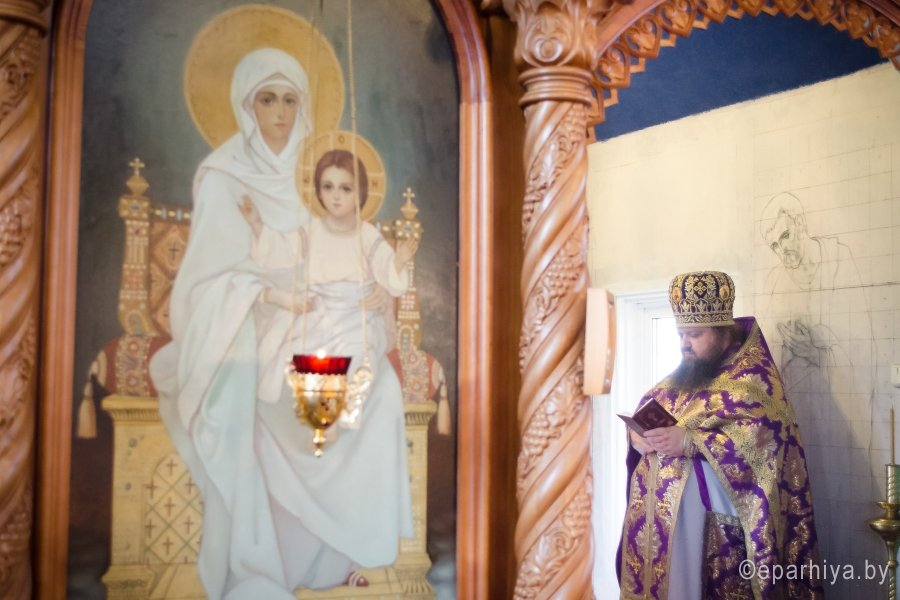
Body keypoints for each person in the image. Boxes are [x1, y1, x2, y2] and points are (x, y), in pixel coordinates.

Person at [150, 48, 412, 600]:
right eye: (267, 99)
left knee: (382, 396)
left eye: (291, 99)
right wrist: (271, 293)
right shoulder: (224, 177)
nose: (280, 113)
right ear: (246, 105)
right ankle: (272, 565)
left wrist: (375, 297)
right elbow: (217, 279)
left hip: (334, 330)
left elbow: (378, 271)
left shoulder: (318, 173)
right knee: (276, 398)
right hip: (252, 328)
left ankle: (340, 555)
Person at [617, 271, 822, 600]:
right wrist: (637, 438)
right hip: (660, 539)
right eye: (680, 334)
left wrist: (690, 442)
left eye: (694, 334)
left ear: (723, 331)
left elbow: (766, 445)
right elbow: (646, 415)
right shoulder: (679, 380)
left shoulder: (754, 383)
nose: (684, 344)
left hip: (715, 539)